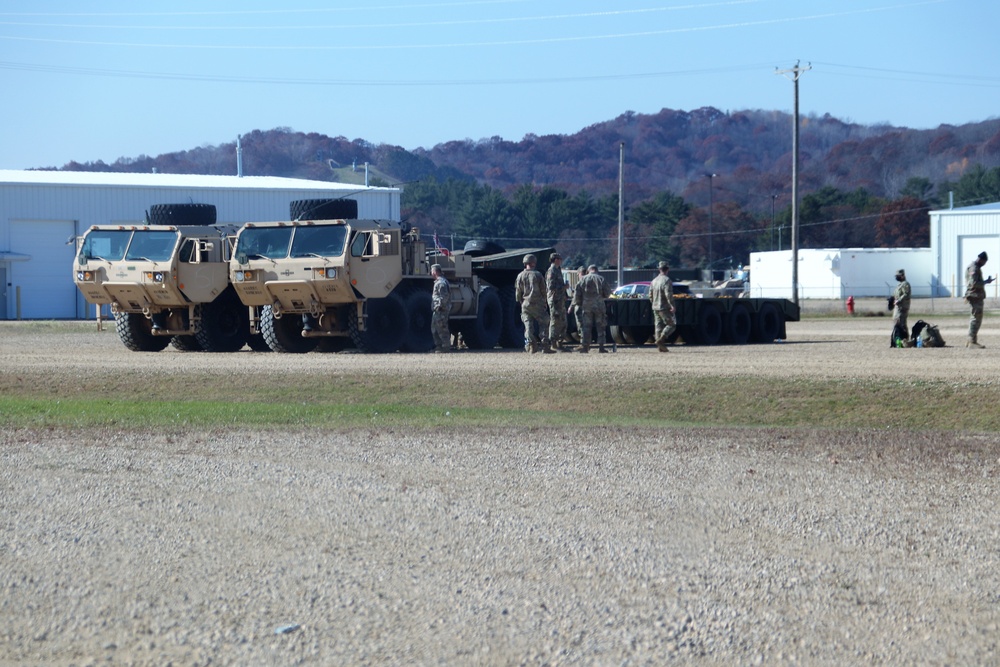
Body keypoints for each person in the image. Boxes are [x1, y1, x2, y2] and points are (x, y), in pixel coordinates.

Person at [514, 254, 554, 353]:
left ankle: (531, 346)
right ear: (533, 263)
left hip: (525, 304)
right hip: (537, 303)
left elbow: (518, 292)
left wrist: (520, 301)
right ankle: (545, 346)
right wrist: (545, 301)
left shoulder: (520, 276)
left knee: (528, 326)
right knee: (544, 322)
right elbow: (543, 290)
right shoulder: (538, 275)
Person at [573, 265, 612, 353]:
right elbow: (608, 293)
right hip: (599, 306)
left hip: (586, 306)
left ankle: (585, 347)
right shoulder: (601, 279)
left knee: (586, 327)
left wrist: (579, 303)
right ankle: (601, 347)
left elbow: (577, 294)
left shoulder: (583, 279)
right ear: (596, 270)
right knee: (600, 326)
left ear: (589, 270)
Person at [965, 251, 994, 348]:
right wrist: (985, 282)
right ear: (981, 260)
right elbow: (973, 283)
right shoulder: (974, 268)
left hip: (976, 296)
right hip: (974, 296)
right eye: (984, 262)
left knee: (976, 318)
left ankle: (970, 341)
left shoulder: (975, 267)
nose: (984, 264)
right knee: (975, 318)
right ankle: (972, 342)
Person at [649, 261, 676, 352]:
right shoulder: (667, 280)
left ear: (659, 269)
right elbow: (668, 294)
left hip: (655, 307)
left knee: (658, 326)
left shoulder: (654, 281)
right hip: (663, 307)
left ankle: (660, 347)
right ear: (667, 269)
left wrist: (653, 303)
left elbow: (650, 295)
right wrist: (672, 306)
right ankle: (660, 340)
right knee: (671, 324)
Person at [545, 252, 569, 351]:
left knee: (563, 321)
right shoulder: (551, 271)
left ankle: (560, 342)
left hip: (560, 299)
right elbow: (551, 287)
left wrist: (565, 294)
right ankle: (553, 343)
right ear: (555, 260)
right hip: (555, 300)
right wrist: (564, 287)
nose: (561, 261)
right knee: (555, 321)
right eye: (560, 259)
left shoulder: (558, 270)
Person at [430, 264, 451, 353]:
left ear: (434, 272)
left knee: (442, 328)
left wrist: (440, 306)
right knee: (434, 328)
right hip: (437, 310)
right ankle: (438, 346)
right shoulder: (438, 282)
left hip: (441, 310)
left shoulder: (441, 283)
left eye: (431, 271)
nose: (431, 273)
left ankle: (445, 347)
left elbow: (444, 296)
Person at [892, 268, 911, 338]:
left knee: (902, 323)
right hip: (898, 307)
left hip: (902, 307)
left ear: (902, 276)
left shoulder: (905, 284)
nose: (897, 277)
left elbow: (906, 294)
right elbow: (896, 295)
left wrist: (899, 300)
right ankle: (898, 337)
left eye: (898, 276)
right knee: (897, 322)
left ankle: (905, 339)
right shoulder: (900, 285)